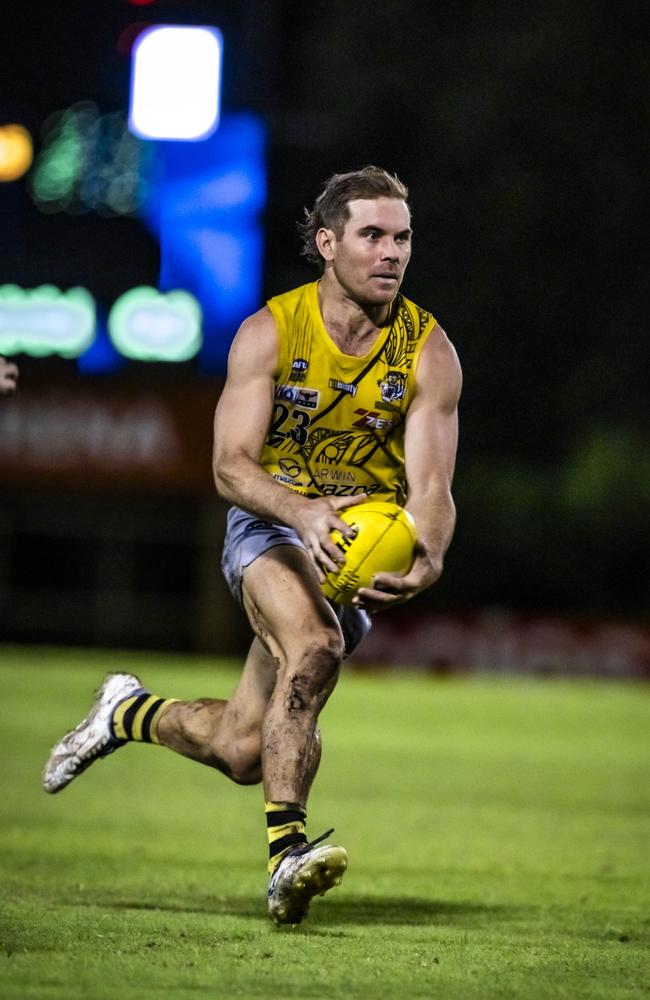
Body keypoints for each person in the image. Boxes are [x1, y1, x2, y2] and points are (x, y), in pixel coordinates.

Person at [43, 165, 462, 925]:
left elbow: (433, 488)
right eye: (372, 235)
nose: (391, 252)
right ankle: (285, 860)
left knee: (241, 748)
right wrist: (299, 512)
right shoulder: (271, 330)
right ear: (328, 243)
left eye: (402, 237)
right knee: (314, 647)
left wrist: (428, 554)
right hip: (270, 523)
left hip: (354, 549)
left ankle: (126, 712)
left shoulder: (428, 351)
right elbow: (229, 466)